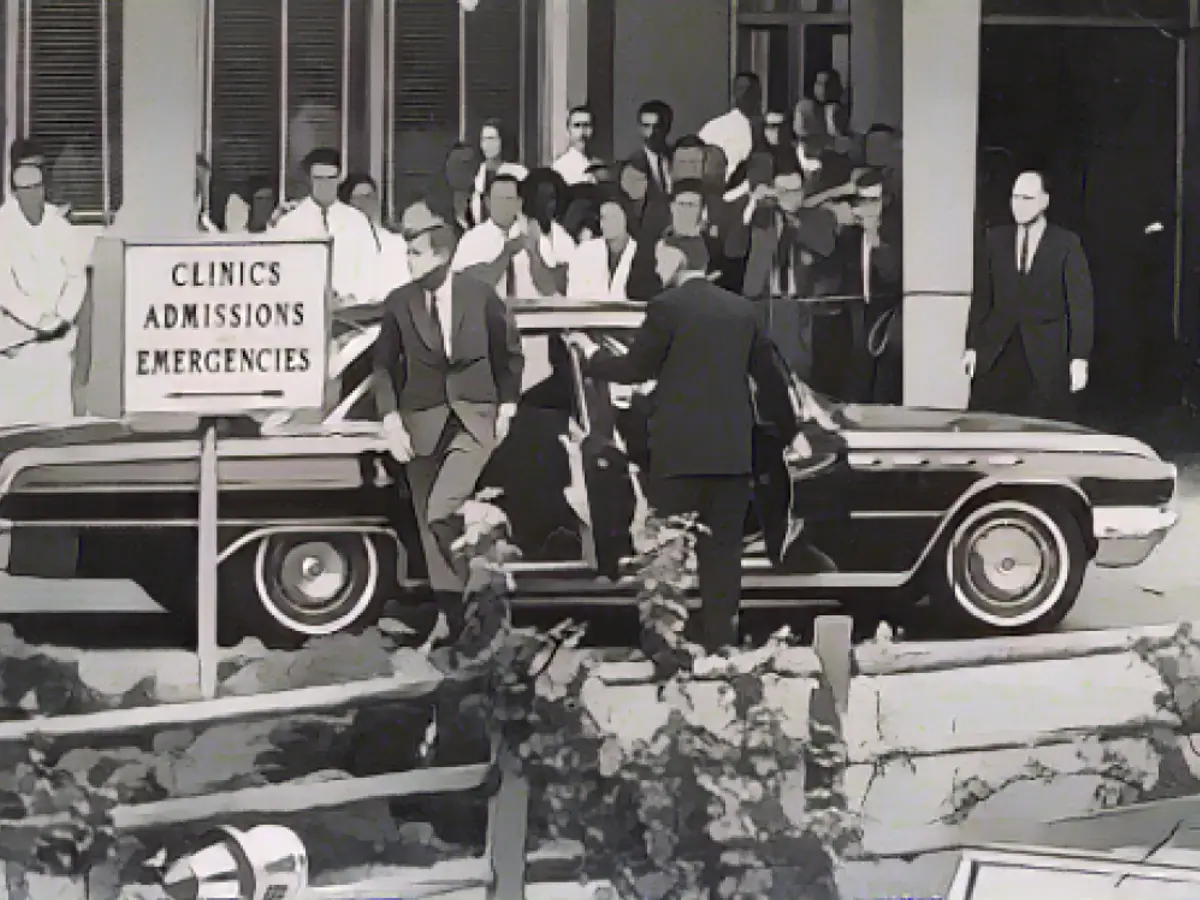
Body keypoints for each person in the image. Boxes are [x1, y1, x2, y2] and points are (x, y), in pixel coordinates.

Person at [563, 243, 796, 657]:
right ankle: (721, 641)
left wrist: (591, 355)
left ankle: (666, 642)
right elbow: (773, 380)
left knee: (667, 548)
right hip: (730, 455)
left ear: (676, 261)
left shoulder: (665, 307)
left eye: (659, 258)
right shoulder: (742, 312)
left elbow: (635, 368)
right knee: (723, 554)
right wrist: (783, 434)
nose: (654, 265)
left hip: (678, 456)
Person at [372, 215, 524, 664]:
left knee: (443, 510)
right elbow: (384, 366)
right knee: (427, 525)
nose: (408, 261)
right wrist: (391, 421)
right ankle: (457, 625)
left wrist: (509, 406)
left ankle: (486, 597)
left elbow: (509, 352)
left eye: (416, 253)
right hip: (420, 423)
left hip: (474, 419)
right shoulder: (400, 302)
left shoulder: (480, 295)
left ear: (442, 256)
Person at [964, 170, 1095, 420]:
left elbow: (1081, 305)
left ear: (1044, 202)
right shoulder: (995, 239)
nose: (1019, 206)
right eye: (1015, 198)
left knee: (1044, 428)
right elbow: (982, 297)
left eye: (1027, 198)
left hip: (1045, 357)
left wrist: (1079, 357)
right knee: (985, 425)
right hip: (998, 351)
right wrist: (971, 346)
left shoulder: (1066, 244)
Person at [0, 162, 87, 425]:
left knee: (55, 418)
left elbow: (76, 276)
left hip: (56, 341)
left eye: (37, 187)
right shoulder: (3, 227)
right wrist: (38, 320)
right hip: (18, 342)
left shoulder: (60, 227)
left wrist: (61, 316)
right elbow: (4, 287)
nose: (33, 194)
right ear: (15, 193)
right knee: (15, 420)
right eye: (25, 189)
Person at [271, 148, 380, 307]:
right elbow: (281, 273)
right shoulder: (289, 224)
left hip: (350, 312)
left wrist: (352, 297)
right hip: (304, 311)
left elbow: (370, 268)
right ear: (309, 180)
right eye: (319, 179)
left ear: (339, 178)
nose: (325, 185)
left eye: (330, 178)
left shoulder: (357, 221)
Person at [453, 172, 574, 300]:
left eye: (509, 199)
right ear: (488, 203)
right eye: (499, 199)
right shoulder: (472, 239)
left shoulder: (534, 235)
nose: (504, 205)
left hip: (527, 315)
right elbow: (472, 286)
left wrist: (534, 254)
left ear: (519, 203)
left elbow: (549, 289)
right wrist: (507, 252)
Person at [698, 72, 762, 204]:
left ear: (759, 94)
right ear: (734, 92)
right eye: (740, 89)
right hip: (725, 200)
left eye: (750, 90)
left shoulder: (767, 128)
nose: (745, 95)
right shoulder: (716, 128)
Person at [566, 194, 639, 301]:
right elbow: (574, 292)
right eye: (604, 217)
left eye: (614, 217)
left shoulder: (639, 252)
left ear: (626, 218)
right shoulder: (585, 251)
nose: (608, 223)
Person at [471, 119, 528, 227]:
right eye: (483, 140)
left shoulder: (519, 172)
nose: (487, 145)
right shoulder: (480, 171)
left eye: (491, 139)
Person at [552, 106, 597, 186]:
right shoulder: (560, 167)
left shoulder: (600, 165)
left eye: (587, 125)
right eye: (577, 126)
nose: (582, 132)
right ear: (568, 130)